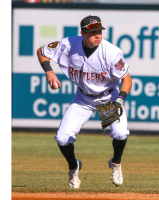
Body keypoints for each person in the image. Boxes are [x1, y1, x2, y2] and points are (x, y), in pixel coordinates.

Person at [37, 15, 132, 189]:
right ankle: (74, 167)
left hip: (108, 97)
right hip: (83, 98)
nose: (97, 35)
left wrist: (119, 100)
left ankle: (116, 163)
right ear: (82, 33)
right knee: (62, 138)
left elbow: (127, 80)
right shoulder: (68, 44)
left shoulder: (111, 52)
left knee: (120, 134)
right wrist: (49, 72)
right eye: (92, 32)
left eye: (99, 31)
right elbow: (42, 52)